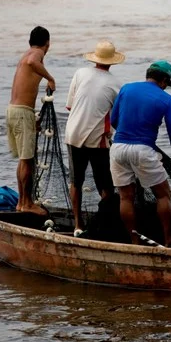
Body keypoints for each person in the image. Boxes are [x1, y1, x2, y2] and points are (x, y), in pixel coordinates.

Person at [109, 60, 171, 246]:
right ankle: (168, 240)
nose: (165, 88)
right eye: (166, 84)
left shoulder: (126, 88)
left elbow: (114, 119)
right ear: (163, 80)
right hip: (143, 150)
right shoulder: (166, 99)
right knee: (163, 195)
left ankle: (134, 241)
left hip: (118, 147)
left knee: (125, 197)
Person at [64, 40, 125, 235]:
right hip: (97, 140)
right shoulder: (116, 84)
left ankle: (77, 224)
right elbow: (117, 117)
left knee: (76, 182)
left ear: (95, 58)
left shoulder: (80, 73)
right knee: (105, 185)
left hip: (73, 134)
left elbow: (71, 106)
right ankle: (105, 224)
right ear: (112, 61)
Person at [6, 25, 55, 215]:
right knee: (27, 160)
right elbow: (33, 62)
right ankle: (27, 204)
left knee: (24, 160)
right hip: (21, 112)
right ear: (47, 43)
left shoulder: (25, 53)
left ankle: (22, 202)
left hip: (14, 110)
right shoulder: (36, 54)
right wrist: (50, 79)